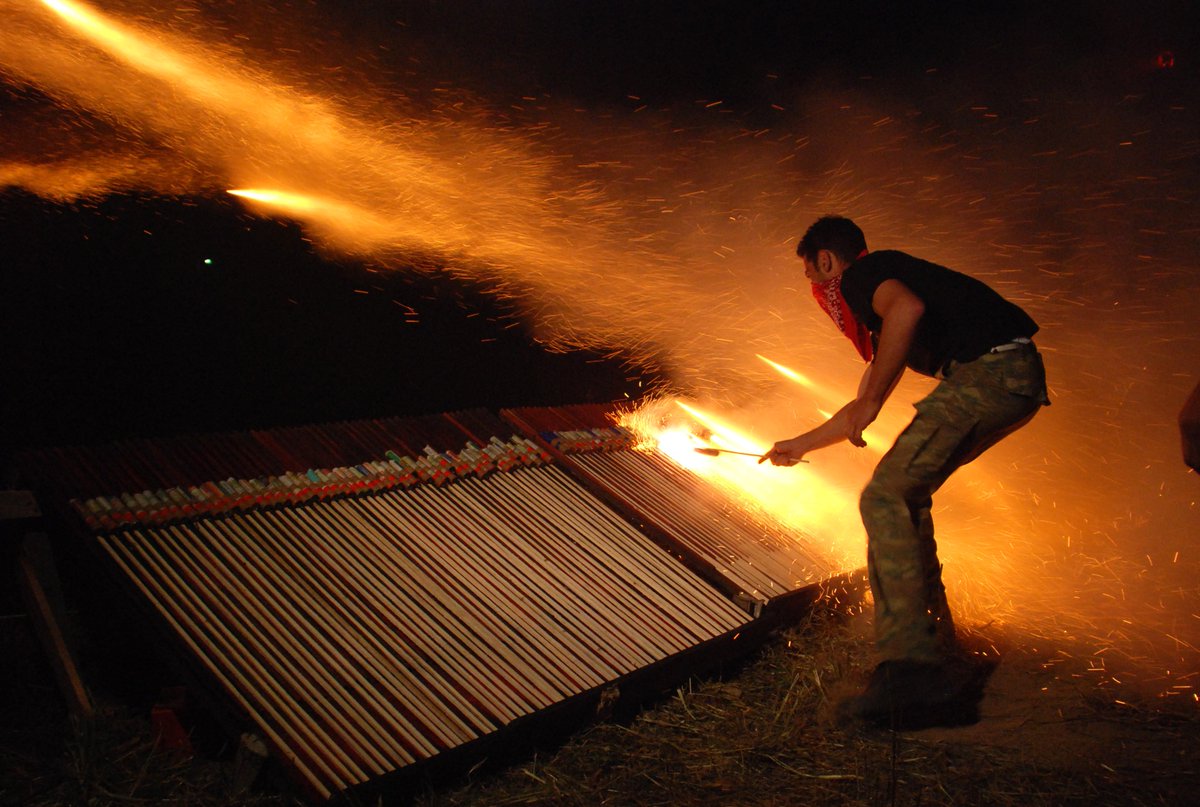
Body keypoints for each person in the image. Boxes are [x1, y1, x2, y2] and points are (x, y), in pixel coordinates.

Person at [762, 215, 1049, 730]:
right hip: (1009, 375)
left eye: (812, 279)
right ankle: (938, 652)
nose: (821, 297)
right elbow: (858, 406)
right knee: (905, 495)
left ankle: (912, 669)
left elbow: (906, 311)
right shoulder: (888, 306)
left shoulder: (864, 276)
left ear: (825, 261)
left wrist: (874, 400)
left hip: (992, 371)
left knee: (884, 495)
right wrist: (795, 445)